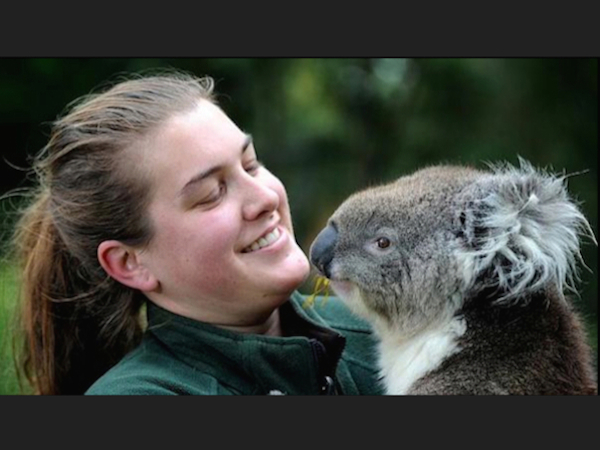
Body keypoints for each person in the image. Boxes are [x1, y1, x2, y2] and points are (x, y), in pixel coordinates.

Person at [11, 70, 383, 395]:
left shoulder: (383, 327)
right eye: (211, 194)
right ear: (130, 262)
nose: (266, 197)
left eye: (251, 165)